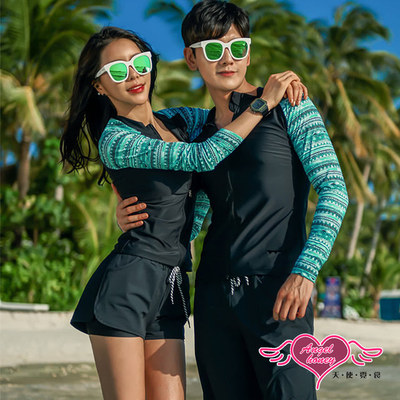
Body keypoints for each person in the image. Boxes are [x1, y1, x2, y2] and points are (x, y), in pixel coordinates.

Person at [116, 1, 349, 399]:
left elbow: (334, 189)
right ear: (191, 58)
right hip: (213, 298)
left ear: (248, 53)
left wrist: (306, 272)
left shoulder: (290, 107)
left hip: (280, 293)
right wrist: (131, 210)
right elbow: (134, 131)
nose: (227, 59)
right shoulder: (194, 127)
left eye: (238, 47)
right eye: (213, 49)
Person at [60, 26, 305, 400]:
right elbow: (204, 156)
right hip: (129, 283)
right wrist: (263, 104)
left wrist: (280, 90)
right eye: (118, 71)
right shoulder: (116, 138)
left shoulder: (181, 122)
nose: (134, 76)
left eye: (140, 63)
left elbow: (220, 132)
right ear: (99, 86)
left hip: (172, 285)